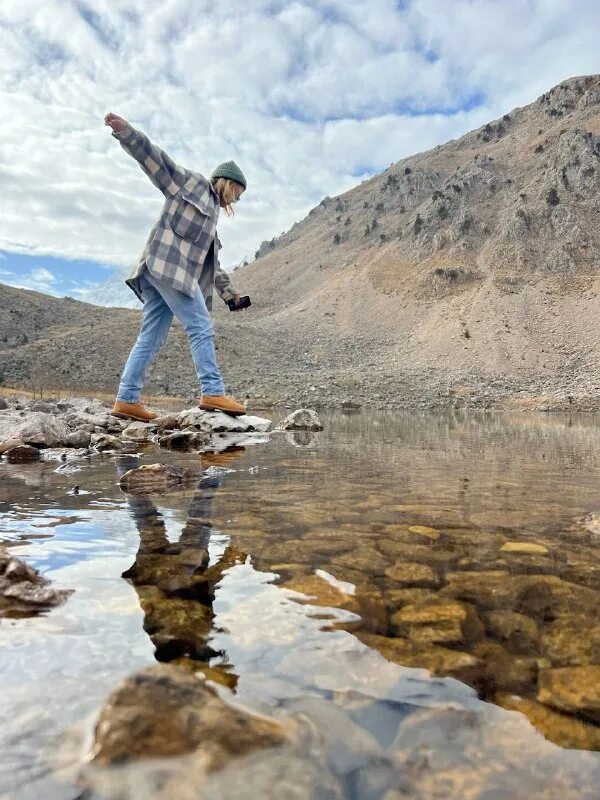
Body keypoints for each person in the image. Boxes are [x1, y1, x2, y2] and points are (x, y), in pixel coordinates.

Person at [104, 112, 251, 421]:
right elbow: (158, 161)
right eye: (239, 191)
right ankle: (212, 391)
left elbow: (215, 266)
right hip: (166, 268)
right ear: (228, 183)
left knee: (151, 336)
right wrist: (127, 133)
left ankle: (126, 400)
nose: (238, 198)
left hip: (162, 276)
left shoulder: (212, 221)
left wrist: (231, 297)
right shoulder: (193, 184)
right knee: (200, 325)